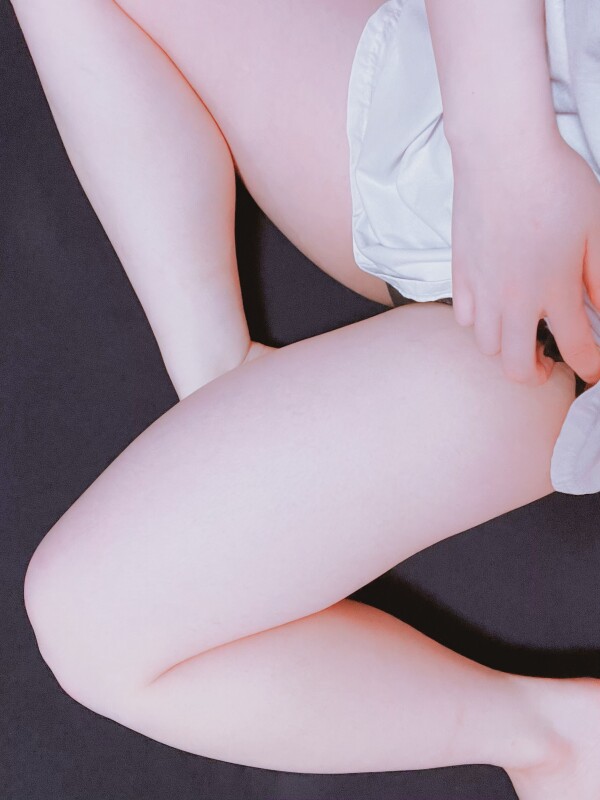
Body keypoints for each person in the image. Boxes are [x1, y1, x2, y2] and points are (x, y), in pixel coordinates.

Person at [12, 0, 600, 797]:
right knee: (94, 626)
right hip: (460, 165)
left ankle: (552, 739)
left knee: (91, 622)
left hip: (536, 305)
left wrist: (508, 153)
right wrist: (504, 146)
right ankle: (216, 373)